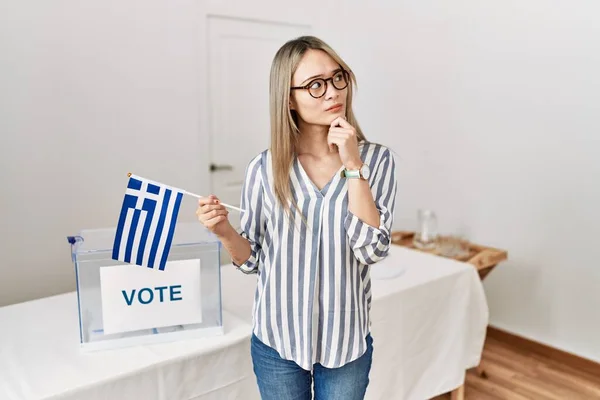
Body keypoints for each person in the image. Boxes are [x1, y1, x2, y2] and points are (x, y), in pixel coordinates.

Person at [196, 36, 397, 400]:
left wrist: (353, 165)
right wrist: (223, 230)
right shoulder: (265, 168)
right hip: (278, 343)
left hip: (345, 344)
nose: (333, 92)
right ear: (288, 98)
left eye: (338, 78)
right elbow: (253, 259)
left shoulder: (378, 162)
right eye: (315, 85)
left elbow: (371, 250)